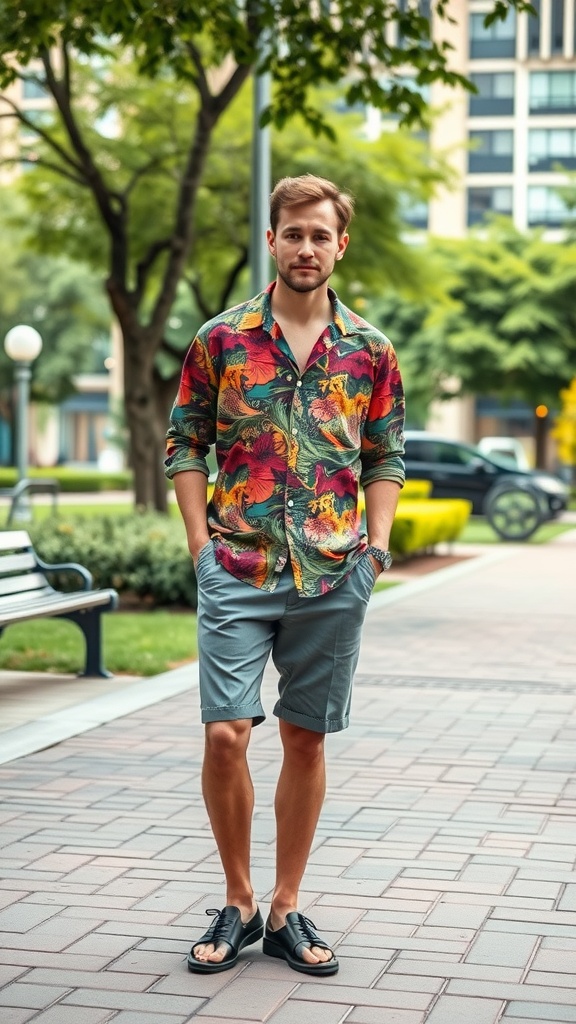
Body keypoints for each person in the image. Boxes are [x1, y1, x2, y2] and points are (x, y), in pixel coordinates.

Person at [165, 173, 405, 976]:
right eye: (293, 233)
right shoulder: (222, 339)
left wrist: (376, 545)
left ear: (341, 245)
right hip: (235, 564)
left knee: (304, 739)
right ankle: (236, 900)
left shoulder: (369, 350)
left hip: (335, 572)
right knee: (227, 730)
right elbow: (184, 440)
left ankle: (285, 907)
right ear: (271, 240)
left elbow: (385, 454)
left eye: (321, 235)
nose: (307, 247)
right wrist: (201, 546)